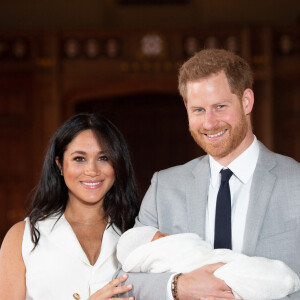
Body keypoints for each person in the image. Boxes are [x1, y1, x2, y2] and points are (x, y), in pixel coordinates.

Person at [117, 49, 300, 300]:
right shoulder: (164, 188)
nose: (209, 123)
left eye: (220, 107)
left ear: (246, 101)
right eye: (198, 110)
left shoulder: (296, 183)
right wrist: (178, 287)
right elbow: (123, 282)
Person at [0, 113, 140, 300]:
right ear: (59, 165)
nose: (92, 170)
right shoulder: (22, 238)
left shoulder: (137, 233)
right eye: (79, 159)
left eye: (104, 158)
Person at [116, 226, 300, 300]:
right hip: (221, 272)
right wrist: (177, 285)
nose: (169, 236)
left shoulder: (293, 176)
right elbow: (123, 282)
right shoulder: (160, 184)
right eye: (163, 237)